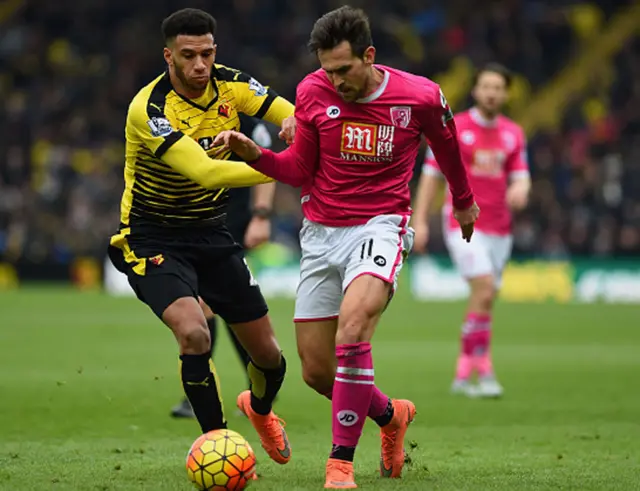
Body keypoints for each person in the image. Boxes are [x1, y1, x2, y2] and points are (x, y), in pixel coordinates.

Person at [214, 6, 479, 488]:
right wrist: (260, 157)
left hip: (381, 225)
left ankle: (339, 466)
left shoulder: (419, 96)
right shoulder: (312, 91)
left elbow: (446, 143)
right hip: (321, 233)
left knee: (353, 331)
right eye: (327, 69)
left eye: (343, 69)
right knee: (317, 372)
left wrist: (463, 201)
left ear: (369, 55)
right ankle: (390, 416)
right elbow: (300, 170)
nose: (335, 80)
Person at [107, 8, 294, 465]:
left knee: (269, 357)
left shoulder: (232, 84)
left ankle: (260, 409)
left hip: (211, 234)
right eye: (188, 55)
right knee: (194, 333)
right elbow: (208, 173)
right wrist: (291, 168)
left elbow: (289, 112)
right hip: (152, 238)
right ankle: (218, 444)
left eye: (206, 54)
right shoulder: (149, 109)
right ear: (167, 55)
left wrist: (300, 127)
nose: (199, 65)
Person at [412, 63, 531, 398]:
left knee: (486, 297)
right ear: (476, 90)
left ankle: (466, 374)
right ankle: (477, 369)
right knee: (485, 287)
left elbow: (521, 173)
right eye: (486, 86)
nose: (492, 93)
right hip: (463, 223)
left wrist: (522, 187)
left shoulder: (513, 133)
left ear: (506, 94)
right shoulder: (457, 128)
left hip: (500, 227)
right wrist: (420, 221)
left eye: (498, 88)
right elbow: (431, 178)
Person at [171, 115, 276, 419]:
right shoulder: (181, 113)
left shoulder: (244, 119)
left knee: (212, 303)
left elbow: (267, 165)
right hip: (195, 224)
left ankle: (212, 393)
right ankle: (255, 386)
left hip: (230, 224)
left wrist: (261, 215)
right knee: (211, 304)